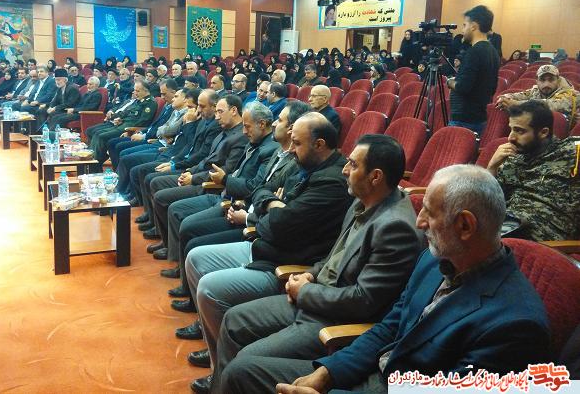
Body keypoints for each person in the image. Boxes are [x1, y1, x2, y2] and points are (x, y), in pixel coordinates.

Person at [223, 165, 552, 393]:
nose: (419, 222)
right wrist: (328, 373)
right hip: (371, 372)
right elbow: (389, 327)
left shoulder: (515, 325)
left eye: (430, 212)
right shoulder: (433, 260)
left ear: (465, 226)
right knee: (242, 372)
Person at [213, 134, 425, 392]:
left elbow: (364, 300)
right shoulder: (361, 201)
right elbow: (334, 256)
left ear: (376, 177)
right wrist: (311, 275)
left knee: (243, 365)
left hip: (333, 321)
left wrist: (306, 291)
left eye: (353, 164)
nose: (344, 170)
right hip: (313, 297)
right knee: (233, 320)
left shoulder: (395, 228)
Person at [184, 112, 352, 393]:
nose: (291, 149)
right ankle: (219, 359)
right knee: (195, 258)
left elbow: (282, 225)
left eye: (297, 143)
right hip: (264, 242)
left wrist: (270, 210)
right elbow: (263, 191)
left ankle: (222, 373)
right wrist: (274, 204)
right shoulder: (306, 164)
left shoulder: (332, 182)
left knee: (210, 288)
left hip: (283, 262)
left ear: (319, 144)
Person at [162, 102, 278, 289]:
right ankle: (182, 272)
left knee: (190, 231)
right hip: (227, 197)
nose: (244, 131)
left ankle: (187, 285)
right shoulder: (254, 142)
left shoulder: (269, 149)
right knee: (183, 220)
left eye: (247, 126)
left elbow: (253, 187)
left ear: (262, 124)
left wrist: (224, 180)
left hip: (237, 207)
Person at [146, 95, 249, 259]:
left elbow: (224, 171)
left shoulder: (241, 137)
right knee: (157, 184)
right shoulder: (224, 132)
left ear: (234, 110)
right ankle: (167, 242)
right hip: (198, 175)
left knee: (163, 196)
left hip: (210, 186)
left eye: (220, 112)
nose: (216, 117)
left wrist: (193, 178)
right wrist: (190, 171)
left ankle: (172, 250)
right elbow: (206, 159)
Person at [486, 100, 580, 241]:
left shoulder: (572, 150)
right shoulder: (512, 158)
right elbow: (488, 203)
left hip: (541, 240)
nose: (511, 138)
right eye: (511, 129)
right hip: (506, 228)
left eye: (519, 131)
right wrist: (492, 168)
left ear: (543, 132)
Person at [446, 5, 500, 135]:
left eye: (465, 25)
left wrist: (450, 82)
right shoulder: (493, 51)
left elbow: (463, 86)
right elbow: (492, 88)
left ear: (474, 26)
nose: (463, 30)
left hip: (464, 120)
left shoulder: (474, 52)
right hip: (478, 117)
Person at [86, 81, 157, 163]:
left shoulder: (150, 103)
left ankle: (96, 162)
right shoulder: (139, 100)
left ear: (146, 91)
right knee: (96, 133)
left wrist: (130, 130)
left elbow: (143, 121)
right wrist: (120, 119)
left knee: (101, 136)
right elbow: (128, 113)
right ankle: (91, 158)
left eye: (138, 91)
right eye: (134, 90)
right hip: (122, 124)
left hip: (129, 127)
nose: (135, 93)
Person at [495, 64, 578, 120]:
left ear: (558, 80)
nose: (546, 84)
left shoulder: (570, 94)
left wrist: (516, 104)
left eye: (551, 80)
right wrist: (505, 98)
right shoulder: (536, 91)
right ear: (537, 81)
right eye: (542, 80)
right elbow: (519, 95)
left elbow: (551, 105)